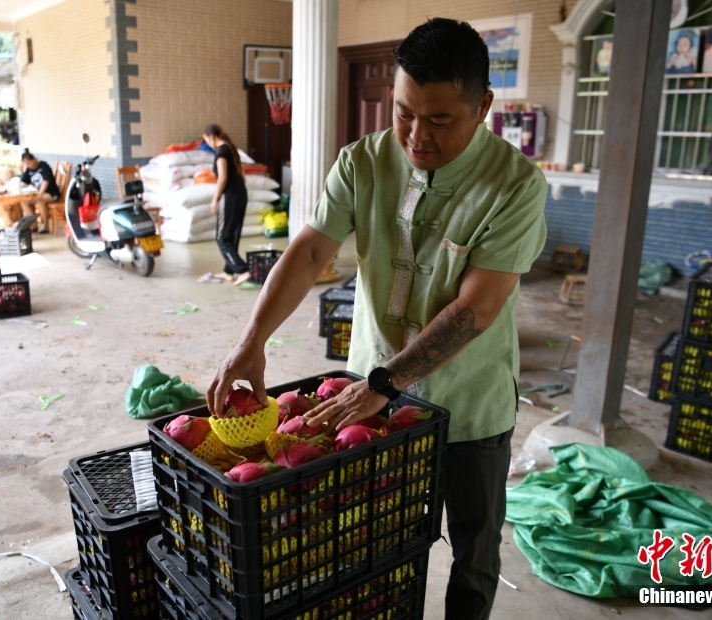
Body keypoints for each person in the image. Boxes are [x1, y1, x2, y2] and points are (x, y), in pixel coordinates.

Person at [206, 17, 547, 620]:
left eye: (440, 119)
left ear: (484, 106)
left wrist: (386, 382)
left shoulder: (514, 186)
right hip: (366, 399)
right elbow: (311, 250)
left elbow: (477, 307)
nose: (417, 136)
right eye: (403, 113)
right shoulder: (362, 162)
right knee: (374, 544)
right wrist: (251, 340)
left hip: (470, 404)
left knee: (474, 551)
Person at [203, 124, 252, 285]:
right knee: (232, 234)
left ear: (211, 137)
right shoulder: (231, 148)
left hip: (230, 196)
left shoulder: (221, 151)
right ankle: (228, 271)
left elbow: (222, 177)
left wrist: (214, 199)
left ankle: (242, 270)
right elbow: (241, 175)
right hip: (240, 194)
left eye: (206, 140)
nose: (208, 144)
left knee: (222, 238)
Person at [19, 149, 61, 233]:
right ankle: (34, 224)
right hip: (38, 194)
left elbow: (46, 181)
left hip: (52, 193)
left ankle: (46, 227)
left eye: (29, 162)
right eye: (26, 164)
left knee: (40, 200)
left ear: (33, 159)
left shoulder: (43, 166)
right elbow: (23, 182)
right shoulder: (28, 169)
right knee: (23, 201)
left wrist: (40, 194)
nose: (28, 165)